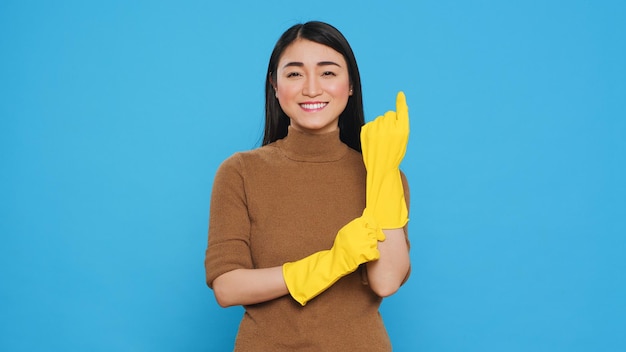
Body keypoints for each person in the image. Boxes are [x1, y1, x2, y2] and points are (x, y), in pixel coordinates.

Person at [204, 21, 411, 351]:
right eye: (294, 73)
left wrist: (383, 172)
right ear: (275, 86)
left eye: (328, 73)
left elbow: (386, 281)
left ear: (351, 85)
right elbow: (227, 287)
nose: (312, 88)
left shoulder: (383, 176)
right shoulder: (240, 172)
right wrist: (330, 263)